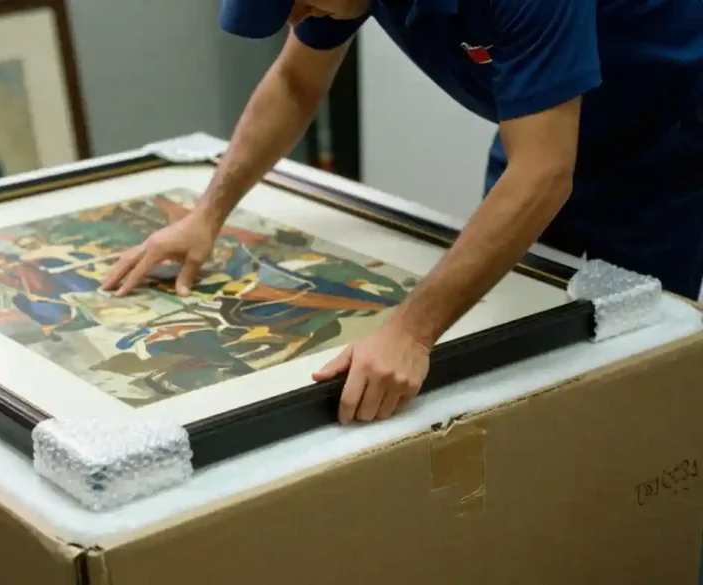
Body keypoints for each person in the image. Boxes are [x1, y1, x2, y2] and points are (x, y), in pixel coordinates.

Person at [102, 0, 703, 425]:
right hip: (541, 127)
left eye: (296, 0)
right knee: (514, 329)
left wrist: (410, 332)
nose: (293, 16)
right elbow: (294, 81)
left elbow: (544, 173)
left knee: (624, 372)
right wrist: (207, 215)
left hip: (663, 135)